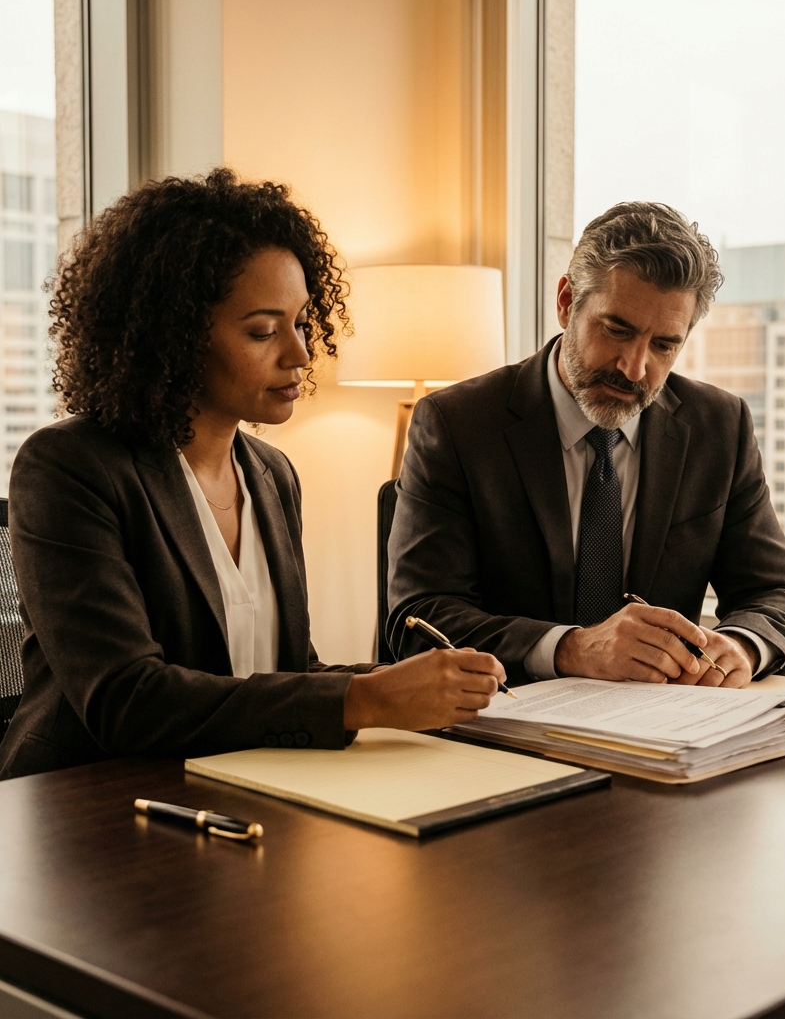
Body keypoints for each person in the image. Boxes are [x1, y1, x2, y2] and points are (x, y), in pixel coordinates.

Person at [0, 169, 504, 781]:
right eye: (263, 331)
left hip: (241, 788)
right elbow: (124, 700)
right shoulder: (70, 469)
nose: (299, 354)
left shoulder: (271, 475)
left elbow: (285, 673)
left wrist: (407, 684)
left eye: (300, 322)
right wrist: (366, 700)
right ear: (175, 336)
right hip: (89, 806)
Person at [386, 202, 785, 688]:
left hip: (667, 731)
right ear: (567, 301)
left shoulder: (719, 426)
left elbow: (779, 594)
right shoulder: (456, 424)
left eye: (663, 345)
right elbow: (418, 618)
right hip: (510, 729)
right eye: (617, 330)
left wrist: (742, 645)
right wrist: (572, 648)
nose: (634, 367)